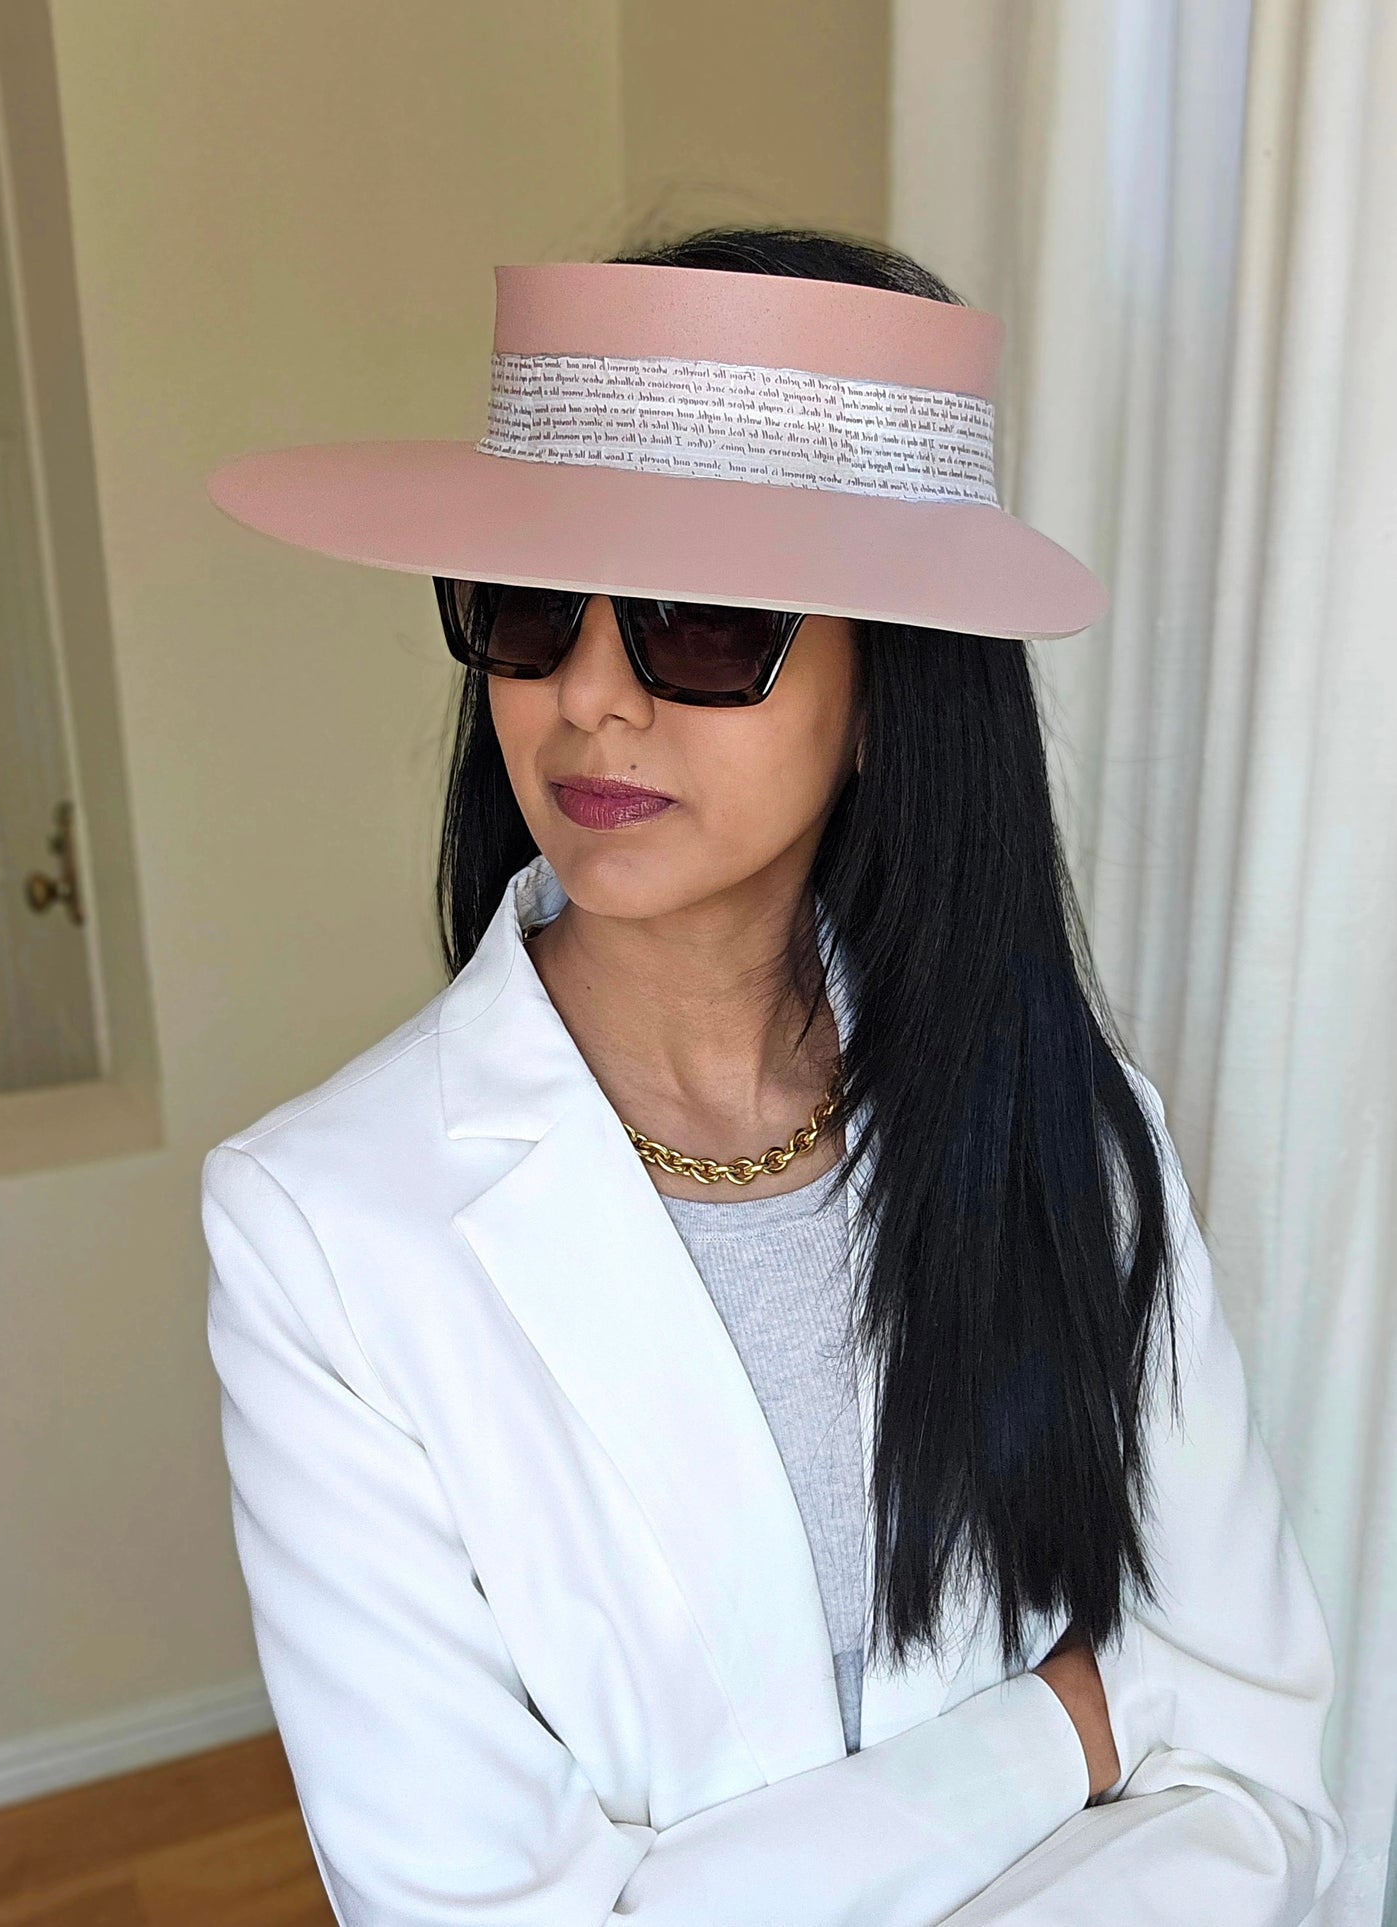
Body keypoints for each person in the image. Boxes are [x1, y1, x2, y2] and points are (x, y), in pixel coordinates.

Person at [200, 226, 1345, 1925]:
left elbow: (1253, 1785)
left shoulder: (1070, 1133)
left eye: (703, 622)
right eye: (529, 610)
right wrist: (1057, 1736)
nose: (589, 697)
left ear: (889, 690)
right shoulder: (320, 1229)